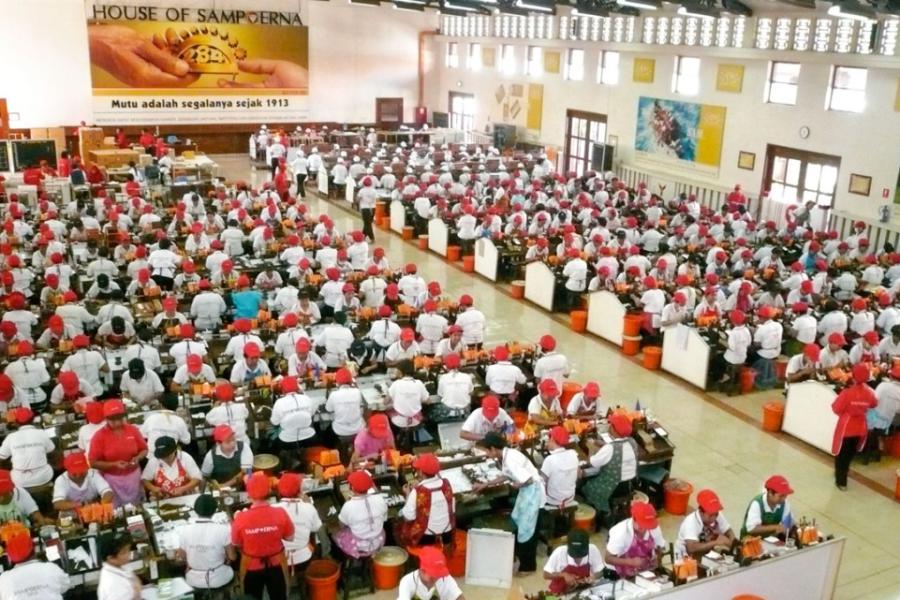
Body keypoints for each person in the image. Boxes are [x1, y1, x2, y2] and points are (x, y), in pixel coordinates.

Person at [475, 433, 545, 573]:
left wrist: (515, 485)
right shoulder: (507, 455)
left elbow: (529, 480)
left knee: (528, 532)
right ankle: (519, 557)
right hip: (527, 494)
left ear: (493, 449)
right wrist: (487, 484)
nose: (486, 454)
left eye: (487, 451)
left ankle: (528, 567)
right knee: (520, 524)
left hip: (533, 494)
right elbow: (506, 475)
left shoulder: (511, 459)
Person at [231, 472, 294, 600]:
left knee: (252, 597)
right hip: (277, 564)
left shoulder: (240, 518)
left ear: (248, 494)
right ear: (269, 490)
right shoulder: (280, 513)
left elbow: (236, 543)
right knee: (279, 597)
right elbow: (290, 538)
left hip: (251, 566)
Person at [89, 399, 148, 507]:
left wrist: (138, 458)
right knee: (117, 510)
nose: (118, 423)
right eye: (113, 420)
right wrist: (113, 464)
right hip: (112, 480)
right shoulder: (99, 437)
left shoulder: (132, 430)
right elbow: (93, 462)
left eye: (120, 419)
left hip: (134, 478)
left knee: (137, 507)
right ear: (106, 419)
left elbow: (144, 449)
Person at [177, 494, 236, 597]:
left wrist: (191, 562)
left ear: (195, 510)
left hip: (194, 579)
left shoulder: (184, 530)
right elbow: (232, 557)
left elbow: (181, 556)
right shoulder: (223, 530)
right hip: (219, 577)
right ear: (214, 510)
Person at [581, 414, 638, 518]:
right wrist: (603, 445)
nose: (609, 426)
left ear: (614, 429)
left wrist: (590, 448)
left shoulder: (610, 449)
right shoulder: (632, 442)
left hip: (612, 488)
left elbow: (592, 462)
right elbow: (619, 447)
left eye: (611, 425)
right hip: (629, 485)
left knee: (586, 486)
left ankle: (600, 513)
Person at [831, 363, 878, 490]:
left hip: (846, 428)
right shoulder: (869, 392)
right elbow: (874, 404)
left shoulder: (847, 392)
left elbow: (836, 408)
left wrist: (847, 412)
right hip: (860, 428)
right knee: (850, 454)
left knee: (841, 454)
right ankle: (842, 473)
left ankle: (841, 482)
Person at [396, 453, 455, 547]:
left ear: (420, 472)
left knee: (399, 525)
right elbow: (453, 509)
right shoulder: (446, 484)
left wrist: (408, 494)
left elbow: (408, 517)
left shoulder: (418, 491)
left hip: (426, 538)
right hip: (447, 534)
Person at [604, 501, 667, 579]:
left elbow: (660, 547)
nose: (644, 528)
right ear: (634, 519)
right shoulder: (621, 532)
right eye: (642, 524)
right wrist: (631, 562)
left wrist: (658, 558)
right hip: (618, 572)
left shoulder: (653, 527)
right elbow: (608, 558)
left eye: (647, 525)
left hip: (643, 570)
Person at [334, 470, 388, 558]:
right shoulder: (380, 499)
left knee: (335, 533)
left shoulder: (348, 506)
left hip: (360, 546)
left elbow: (342, 525)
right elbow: (384, 519)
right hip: (378, 540)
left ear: (352, 488)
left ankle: (342, 558)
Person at [0, 532, 70, 599]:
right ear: (33, 550)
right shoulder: (50, 568)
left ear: (10, 557)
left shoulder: (4, 579)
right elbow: (66, 585)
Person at [275, 473, 322, 568]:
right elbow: (316, 528)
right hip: (304, 558)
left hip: (280, 560)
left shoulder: (273, 509)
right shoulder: (308, 507)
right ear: (300, 491)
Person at [0, 407, 55, 489]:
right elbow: (52, 451)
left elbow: (1, 457)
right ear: (33, 420)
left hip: (19, 480)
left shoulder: (10, 437)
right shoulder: (41, 433)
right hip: (44, 477)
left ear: (16, 423)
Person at [675, 489, 735, 558]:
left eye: (716, 514)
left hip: (706, 554)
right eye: (711, 515)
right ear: (701, 512)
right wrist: (715, 542)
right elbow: (691, 548)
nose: (714, 518)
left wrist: (734, 546)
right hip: (685, 559)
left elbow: (729, 531)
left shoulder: (716, 513)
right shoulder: (690, 522)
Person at [543, 529, 604, 594]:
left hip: (581, 589)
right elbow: (546, 574)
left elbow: (601, 571)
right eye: (574, 555)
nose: (577, 557)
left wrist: (593, 577)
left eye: (580, 554)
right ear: (568, 546)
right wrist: (563, 575)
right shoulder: (559, 552)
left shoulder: (592, 549)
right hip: (559, 591)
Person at [396, 545, 465, 600]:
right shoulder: (407, 582)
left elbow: (458, 596)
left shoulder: (444, 578)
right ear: (422, 570)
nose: (437, 578)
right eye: (433, 575)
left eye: (439, 574)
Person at [541, 426, 579, 510]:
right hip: (569, 498)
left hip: (553, 500)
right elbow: (578, 475)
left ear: (552, 439)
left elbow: (542, 482)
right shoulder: (574, 454)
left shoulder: (549, 460)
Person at [97, 534, 142, 600]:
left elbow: (135, 580)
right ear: (111, 558)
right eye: (124, 552)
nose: (129, 553)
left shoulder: (119, 565)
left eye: (128, 549)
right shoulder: (112, 584)